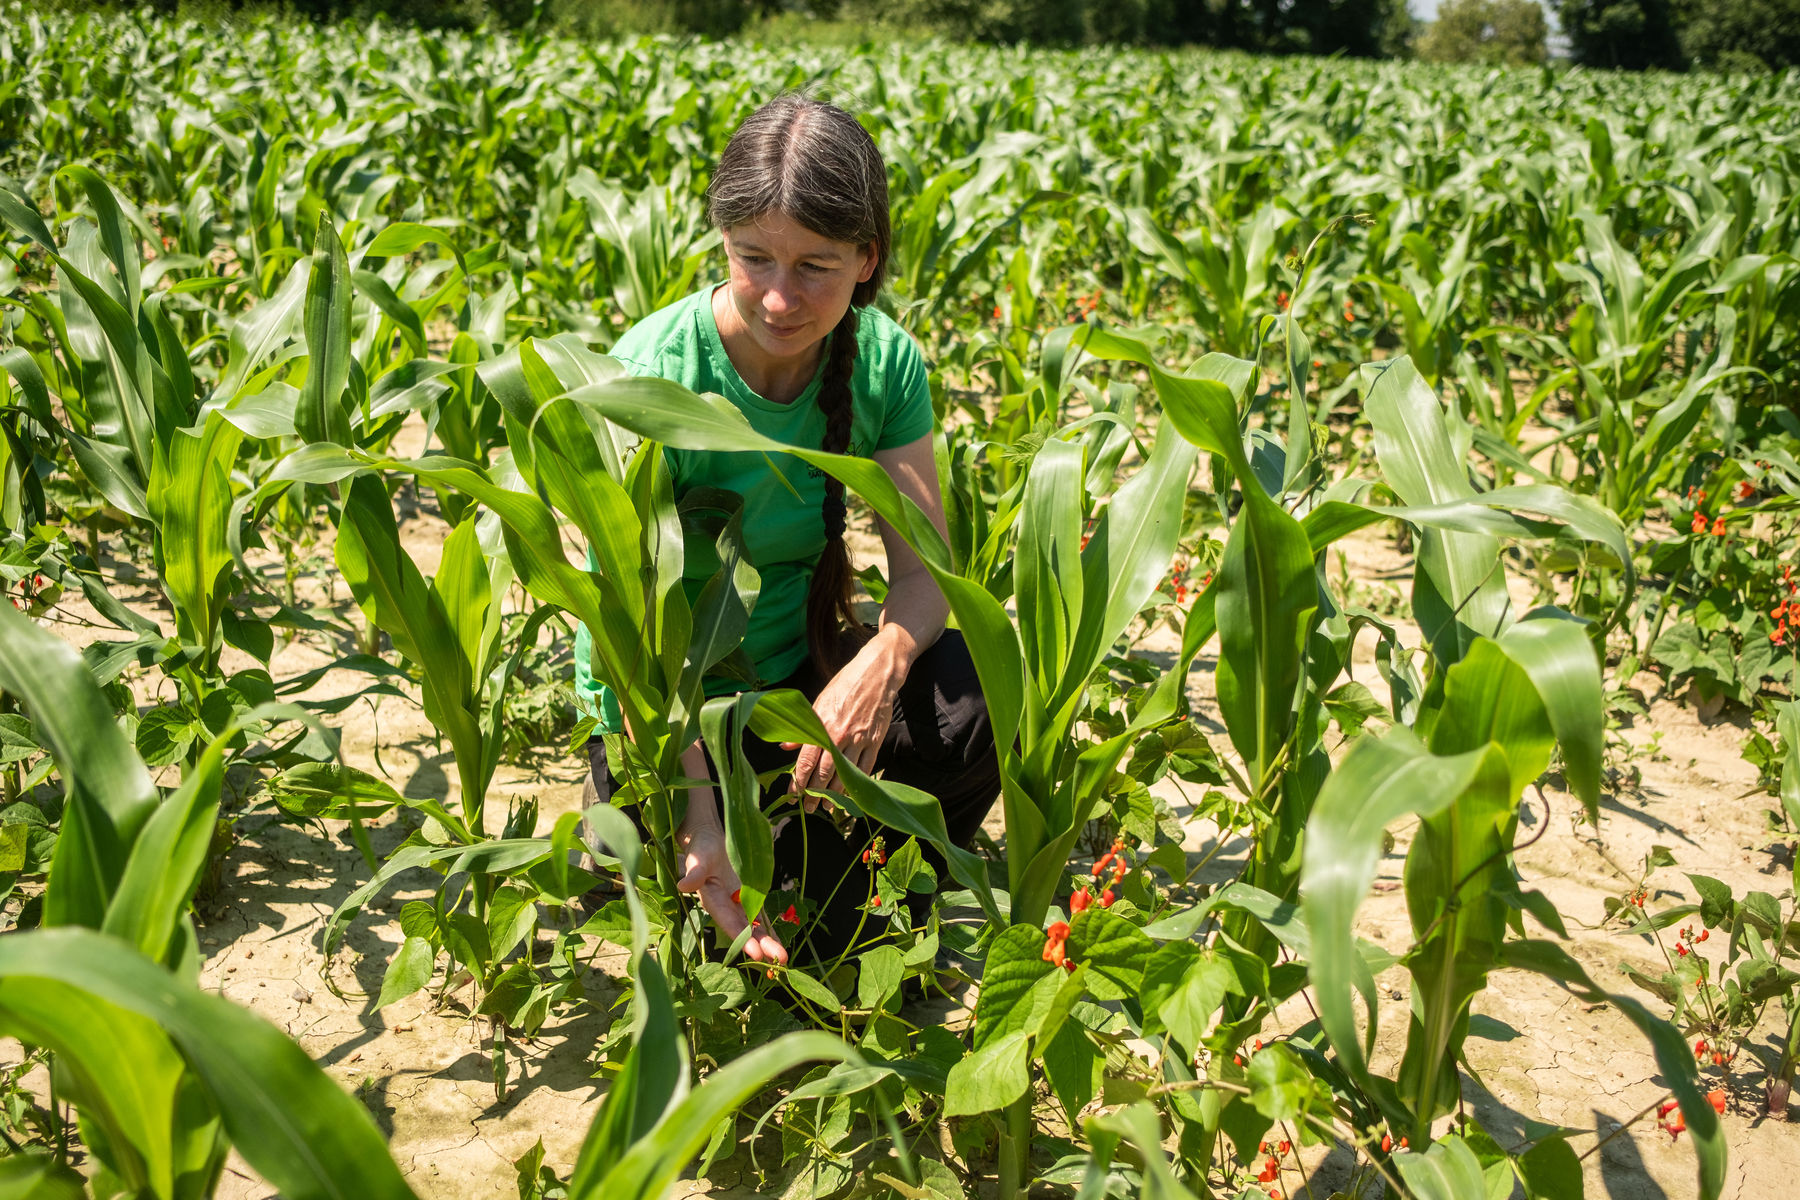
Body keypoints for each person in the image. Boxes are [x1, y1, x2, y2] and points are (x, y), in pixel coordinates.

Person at [574, 94, 1001, 968]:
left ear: (867, 257)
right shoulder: (656, 377)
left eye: (816, 266)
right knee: (700, 924)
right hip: (663, 716)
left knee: (971, 698)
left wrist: (873, 670)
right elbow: (633, 646)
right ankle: (701, 851)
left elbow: (925, 581)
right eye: (752, 258)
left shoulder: (882, 361)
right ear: (721, 243)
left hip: (789, 687)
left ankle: (864, 921)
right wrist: (701, 809)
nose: (779, 297)